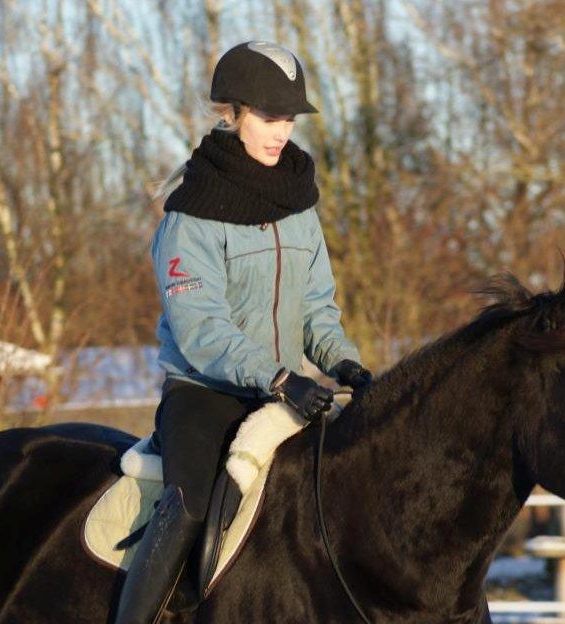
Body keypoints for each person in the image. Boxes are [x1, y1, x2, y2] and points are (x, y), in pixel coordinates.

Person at [115, 41, 372, 624]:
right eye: (267, 117)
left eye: (288, 119)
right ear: (232, 114)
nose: (280, 132)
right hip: (204, 394)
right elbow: (202, 329)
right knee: (190, 505)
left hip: (286, 392)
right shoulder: (190, 216)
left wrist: (346, 364)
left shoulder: (300, 202)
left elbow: (316, 309)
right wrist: (278, 377)